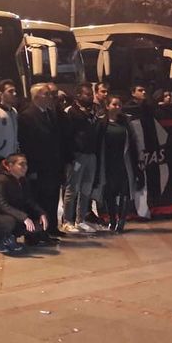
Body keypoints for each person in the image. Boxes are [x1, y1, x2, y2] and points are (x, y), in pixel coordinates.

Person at [18, 83, 66, 239]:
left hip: (53, 165)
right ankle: (36, 234)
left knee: (52, 197)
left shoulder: (50, 113)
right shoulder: (27, 116)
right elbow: (27, 144)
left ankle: (51, 228)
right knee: (39, 200)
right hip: (38, 166)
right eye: (46, 94)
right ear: (36, 96)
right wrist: (31, 169)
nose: (50, 97)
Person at [0, 154, 50, 254]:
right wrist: (23, 217)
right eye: (21, 164)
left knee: (39, 223)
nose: (25, 167)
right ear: (10, 166)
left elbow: (29, 200)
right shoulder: (1, 180)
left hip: (15, 214)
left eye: (26, 164)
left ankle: (11, 236)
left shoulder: (23, 181)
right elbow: (2, 205)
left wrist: (41, 213)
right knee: (9, 222)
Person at [97, 96, 141, 232]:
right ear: (107, 106)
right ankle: (112, 219)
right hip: (108, 163)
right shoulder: (101, 122)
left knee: (125, 192)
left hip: (124, 162)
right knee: (109, 193)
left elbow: (135, 141)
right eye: (114, 104)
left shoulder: (126, 122)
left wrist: (139, 158)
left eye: (119, 105)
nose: (117, 107)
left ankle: (121, 222)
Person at [62, 83, 102, 234]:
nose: (90, 97)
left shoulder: (93, 111)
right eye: (87, 94)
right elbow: (67, 136)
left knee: (86, 188)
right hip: (77, 156)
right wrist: (70, 156)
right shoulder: (70, 111)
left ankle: (81, 219)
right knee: (72, 189)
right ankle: (67, 221)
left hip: (91, 155)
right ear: (78, 95)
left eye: (91, 94)